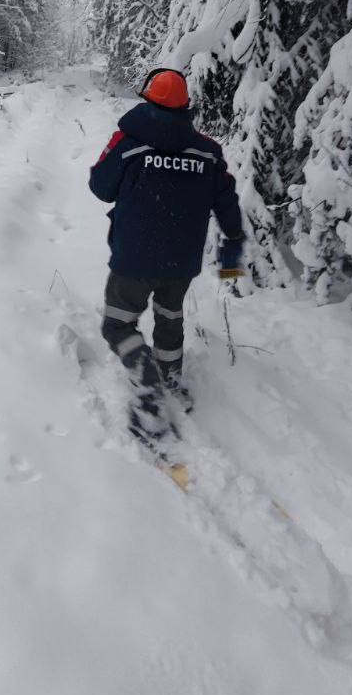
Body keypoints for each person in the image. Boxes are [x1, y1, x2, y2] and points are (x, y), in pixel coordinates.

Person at [89, 67, 244, 445]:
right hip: (182, 260)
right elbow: (227, 203)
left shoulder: (128, 143)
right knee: (170, 315)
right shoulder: (207, 151)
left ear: (147, 99)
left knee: (117, 326)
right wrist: (232, 251)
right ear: (185, 106)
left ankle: (146, 381)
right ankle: (170, 377)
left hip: (133, 258)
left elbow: (101, 188)